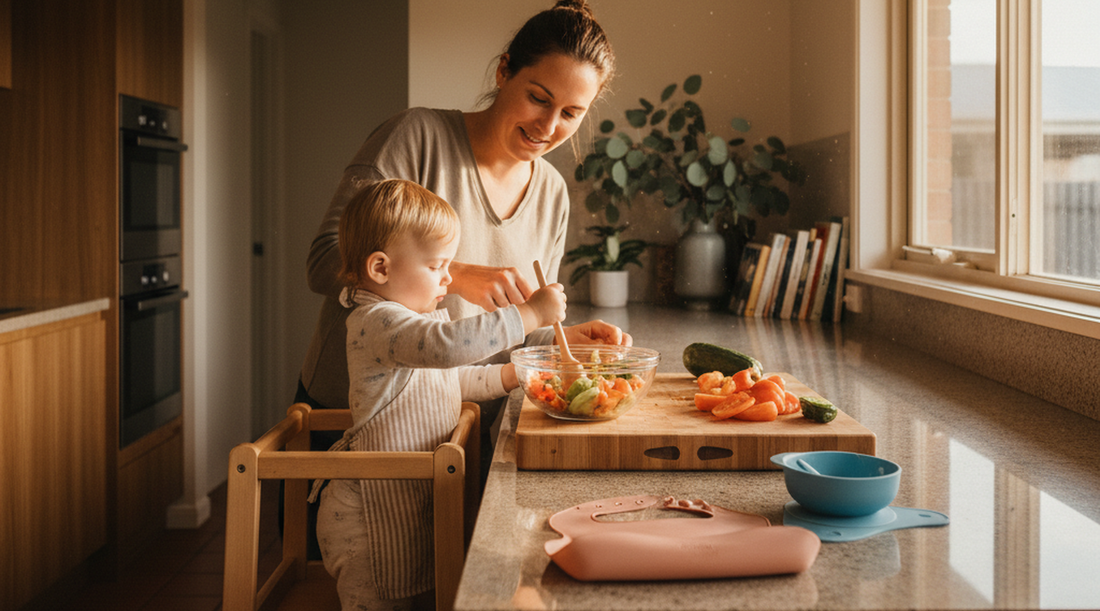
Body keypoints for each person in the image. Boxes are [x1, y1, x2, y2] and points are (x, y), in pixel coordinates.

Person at [295, 0, 623, 558]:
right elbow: (325, 259)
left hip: (453, 426)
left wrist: (561, 341)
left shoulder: (551, 194)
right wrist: (457, 275)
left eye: (570, 113)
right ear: (503, 72)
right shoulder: (416, 136)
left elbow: (512, 325)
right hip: (353, 423)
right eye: (538, 97)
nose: (548, 127)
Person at [313, 179, 567, 610]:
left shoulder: (403, 322)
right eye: (437, 266)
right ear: (381, 269)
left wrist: (509, 375)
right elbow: (446, 347)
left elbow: (448, 380)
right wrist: (530, 314)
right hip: (365, 517)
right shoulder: (379, 322)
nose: (449, 277)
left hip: (401, 497)